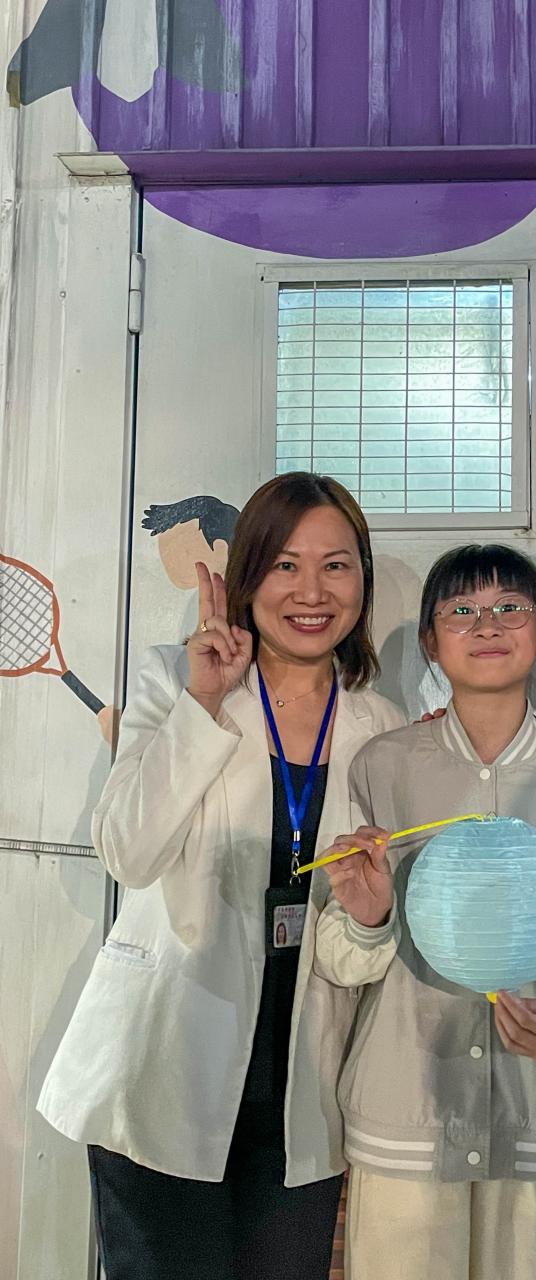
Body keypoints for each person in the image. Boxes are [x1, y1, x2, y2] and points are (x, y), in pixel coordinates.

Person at [37, 472, 405, 1280]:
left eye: (336, 566)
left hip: (300, 1092)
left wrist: (372, 919)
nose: (311, 591)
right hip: (164, 1070)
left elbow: (354, 953)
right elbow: (128, 852)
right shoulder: (177, 680)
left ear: (363, 580)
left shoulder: (383, 727)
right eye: (285, 565)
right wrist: (203, 702)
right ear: (248, 577)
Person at [313, 544, 536, 1280]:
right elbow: (338, 957)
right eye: (461, 610)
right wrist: (367, 919)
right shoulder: (379, 767)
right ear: (431, 640)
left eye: (510, 608)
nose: (487, 625)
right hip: (407, 1120)